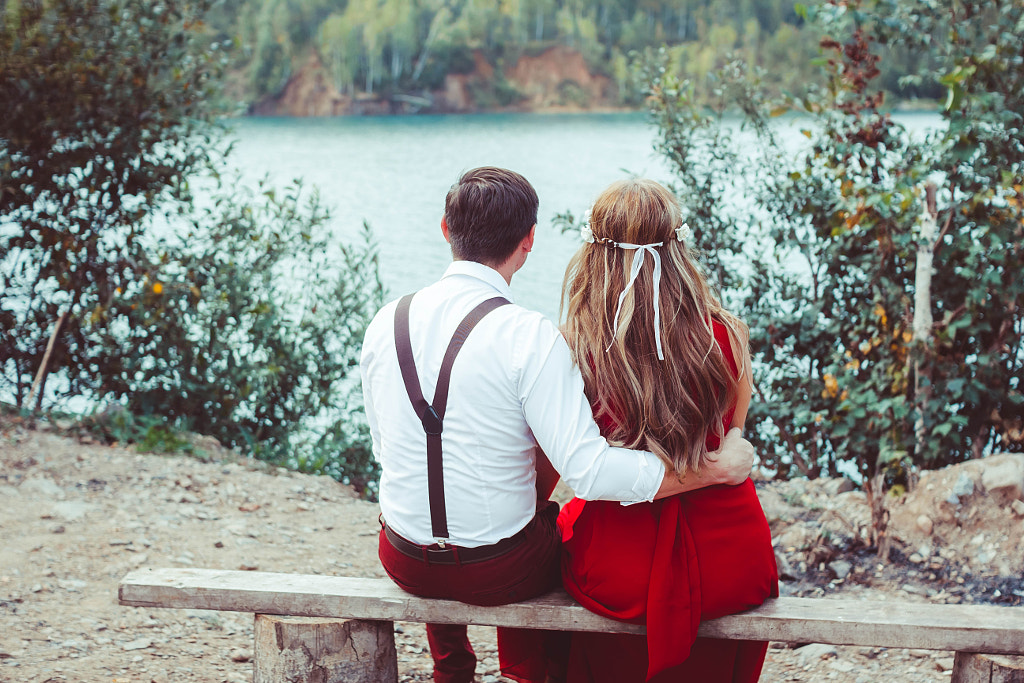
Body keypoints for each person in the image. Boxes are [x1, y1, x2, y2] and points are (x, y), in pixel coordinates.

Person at [359, 167, 757, 683]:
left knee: (497, 511)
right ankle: (527, 674)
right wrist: (709, 470)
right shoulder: (532, 336)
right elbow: (591, 469)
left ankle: (460, 667)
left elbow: (386, 448)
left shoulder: (386, 320)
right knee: (530, 523)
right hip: (717, 558)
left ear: (443, 228)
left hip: (405, 559)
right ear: (528, 241)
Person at [557, 178, 779, 682]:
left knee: (561, 537)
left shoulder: (576, 348)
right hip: (732, 561)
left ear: (595, 253)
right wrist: (734, 452)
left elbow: (563, 466)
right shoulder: (729, 333)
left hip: (621, 567)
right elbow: (735, 432)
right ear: (679, 249)